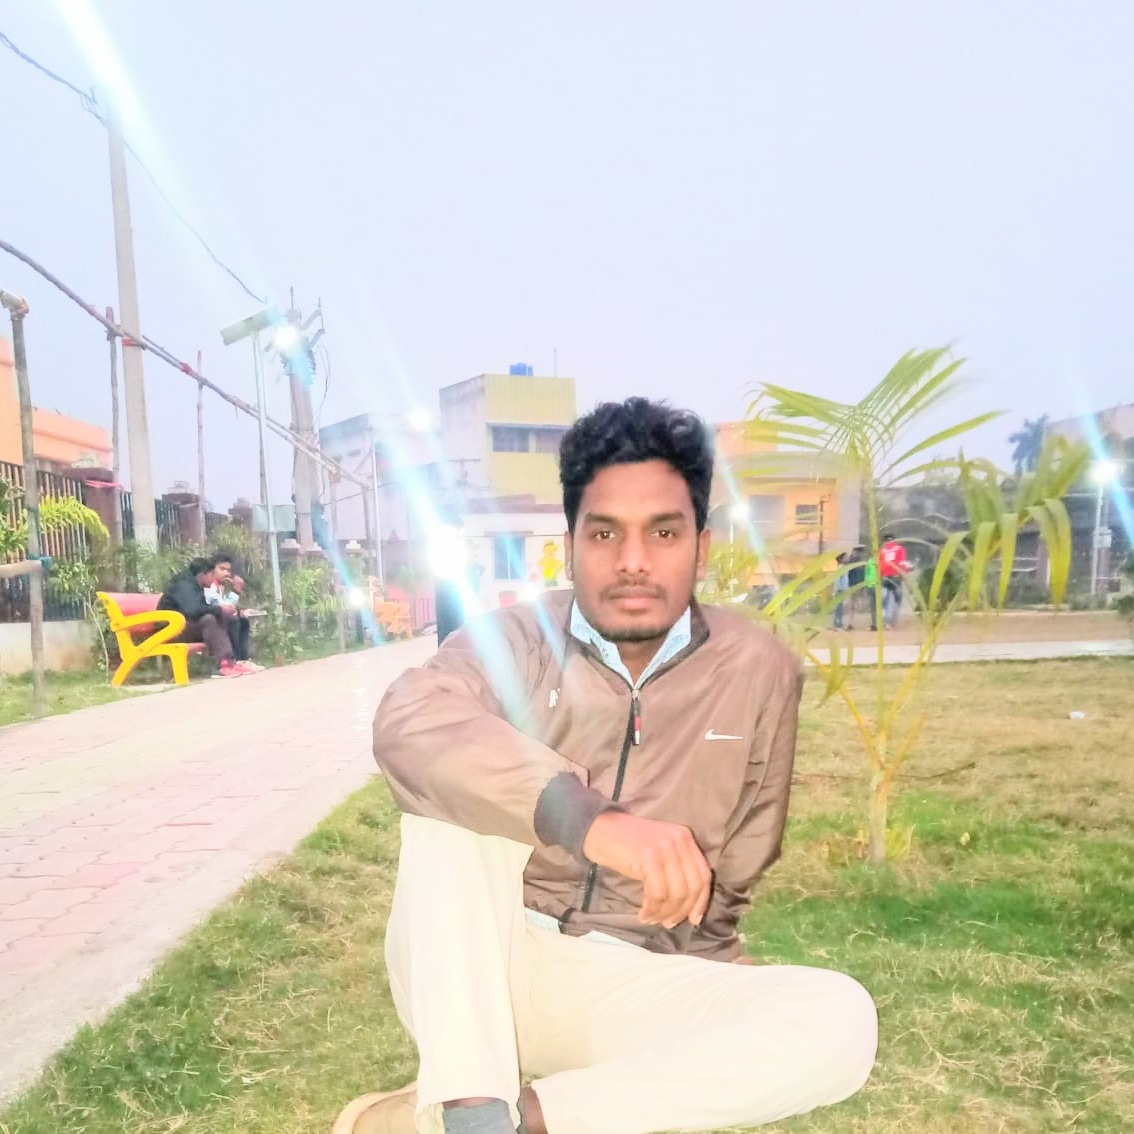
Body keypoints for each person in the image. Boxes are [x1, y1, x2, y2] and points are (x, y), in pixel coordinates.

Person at [334, 399, 877, 1134]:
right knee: (452, 801)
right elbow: (410, 721)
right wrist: (590, 822)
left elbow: (740, 856)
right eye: (605, 533)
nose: (633, 561)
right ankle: (470, 1100)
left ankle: (498, 1122)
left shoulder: (757, 669)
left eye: (663, 532)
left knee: (840, 1016)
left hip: (625, 978)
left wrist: (720, 973)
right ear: (571, 546)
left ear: (701, 548)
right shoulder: (514, 640)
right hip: (478, 962)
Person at [158, 556, 251, 678]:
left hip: (181, 626)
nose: (213, 580)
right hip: (168, 631)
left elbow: (199, 608)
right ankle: (223, 665)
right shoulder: (184, 585)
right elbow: (192, 610)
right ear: (203, 574)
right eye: (212, 575)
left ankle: (229, 662)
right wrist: (219, 609)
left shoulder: (196, 585)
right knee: (209, 619)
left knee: (221, 617)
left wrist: (220, 611)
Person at [205, 555, 262, 670]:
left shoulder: (220, 586)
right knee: (232, 620)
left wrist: (240, 611)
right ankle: (234, 660)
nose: (226, 573)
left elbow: (225, 606)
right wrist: (236, 590)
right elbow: (225, 608)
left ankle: (243, 659)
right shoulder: (209, 586)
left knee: (243, 620)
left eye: (228, 570)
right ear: (212, 570)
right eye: (222, 569)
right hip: (209, 623)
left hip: (217, 618)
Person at [879, 532, 911, 629]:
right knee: (897, 599)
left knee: (884, 600)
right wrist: (904, 574)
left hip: (885, 577)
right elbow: (902, 562)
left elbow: (880, 565)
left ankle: (886, 621)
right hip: (896, 577)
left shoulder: (882, 551)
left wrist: (880, 576)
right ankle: (892, 620)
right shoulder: (900, 549)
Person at [844, 545, 867, 630]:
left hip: (853, 585)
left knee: (852, 605)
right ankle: (849, 623)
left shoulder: (852, 561)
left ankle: (850, 623)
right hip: (855, 585)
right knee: (853, 605)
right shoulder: (858, 563)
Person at [831, 552, 849, 630]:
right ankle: (836, 624)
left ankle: (839, 623)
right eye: (845, 557)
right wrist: (838, 590)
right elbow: (837, 580)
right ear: (841, 559)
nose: (847, 559)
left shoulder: (844, 568)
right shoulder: (840, 568)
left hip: (842, 591)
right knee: (838, 608)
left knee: (840, 608)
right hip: (839, 591)